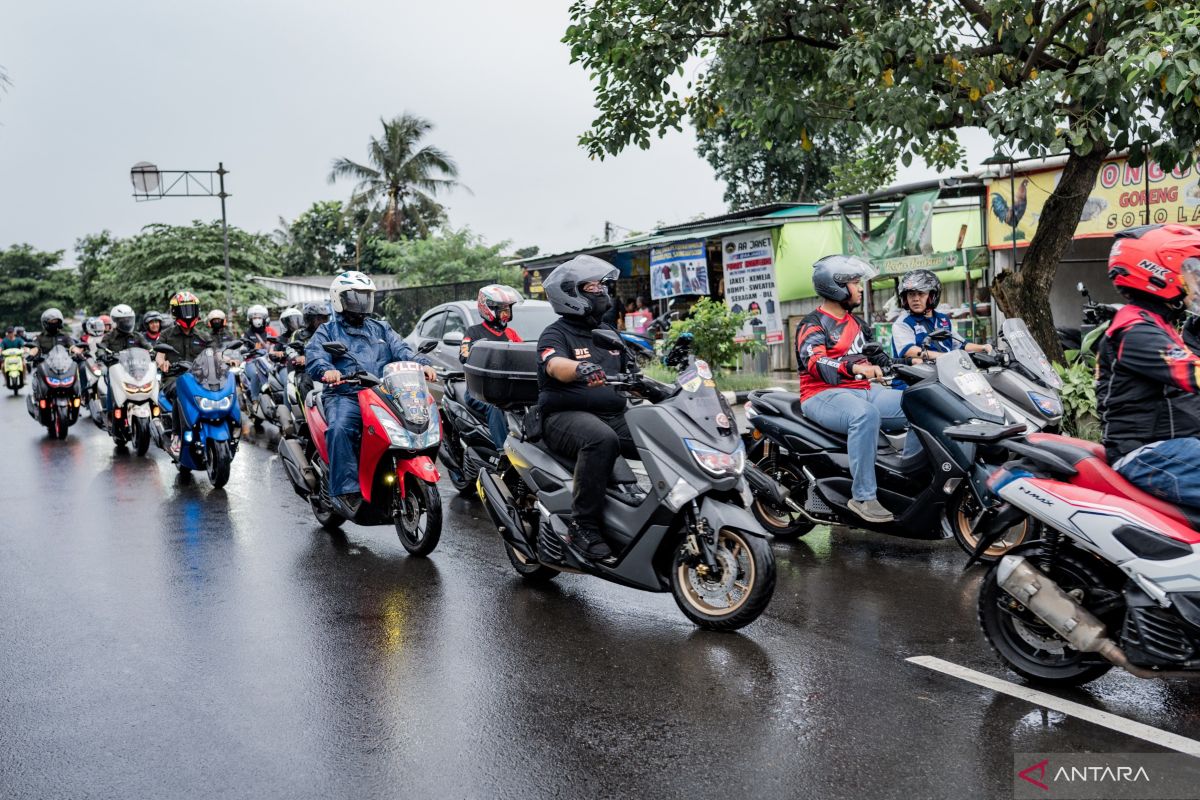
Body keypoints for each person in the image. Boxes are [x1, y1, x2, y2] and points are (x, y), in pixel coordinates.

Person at [796, 255, 922, 524]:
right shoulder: (813, 324)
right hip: (822, 394)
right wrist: (853, 368)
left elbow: (881, 359)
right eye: (855, 282)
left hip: (862, 390)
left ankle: (907, 478)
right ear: (836, 287)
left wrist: (920, 362)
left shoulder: (858, 324)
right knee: (864, 415)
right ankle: (863, 497)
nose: (861, 288)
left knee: (921, 404)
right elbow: (815, 362)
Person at [305, 271, 435, 517]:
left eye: (365, 297)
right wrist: (328, 370)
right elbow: (316, 357)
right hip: (346, 394)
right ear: (339, 299)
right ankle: (347, 489)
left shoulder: (380, 328)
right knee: (341, 429)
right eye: (355, 297)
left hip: (383, 393)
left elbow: (401, 349)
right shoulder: (327, 331)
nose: (361, 303)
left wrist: (421, 363)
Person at [537, 255, 638, 560]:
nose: (602, 291)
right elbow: (554, 364)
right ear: (570, 294)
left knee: (659, 434)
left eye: (601, 285)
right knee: (600, 439)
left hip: (613, 414)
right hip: (562, 417)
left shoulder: (607, 334)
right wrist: (579, 369)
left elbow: (631, 373)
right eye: (592, 286)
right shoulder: (556, 333)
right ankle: (583, 526)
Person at [1096, 224, 1200, 508]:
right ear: (1160, 273)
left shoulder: (1156, 324)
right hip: (1144, 452)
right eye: (1189, 272)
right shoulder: (1135, 330)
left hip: (1171, 444)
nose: (1194, 284)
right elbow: (1192, 373)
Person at [459, 284, 523, 451]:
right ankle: (504, 452)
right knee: (495, 406)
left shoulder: (511, 334)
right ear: (488, 309)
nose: (506, 314)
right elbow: (464, 355)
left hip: (510, 389)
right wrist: (480, 351)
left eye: (508, 310)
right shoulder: (473, 332)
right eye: (502, 309)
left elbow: (524, 355)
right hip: (480, 391)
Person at [890, 269, 992, 364]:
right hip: (912, 379)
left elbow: (960, 344)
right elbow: (909, 351)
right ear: (905, 298)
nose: (916, 299)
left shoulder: (943, 319)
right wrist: (946, 357)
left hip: (946, 371)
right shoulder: (903, 323)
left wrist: (984, 347)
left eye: (921, 294)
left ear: (932, 296)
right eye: (911, 294)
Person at [157, 292, 211, 455]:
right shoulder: (166, 335)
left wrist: (226, 359)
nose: (188, 314)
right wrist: (162, 363)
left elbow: (213, 354)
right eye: (183, 309)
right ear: (175, 312)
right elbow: (159, 354)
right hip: (174, 378)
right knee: (182, 393)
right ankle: (177, 435)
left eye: (191, 309)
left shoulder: (203, 336)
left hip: (199, 379)